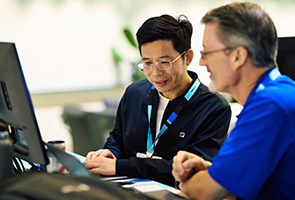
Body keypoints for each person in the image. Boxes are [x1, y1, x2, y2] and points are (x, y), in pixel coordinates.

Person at [83, 14, 231, 187]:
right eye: (147, 63)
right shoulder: (134, 93)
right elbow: (117, 136)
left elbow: (189, 171)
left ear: (188, 58)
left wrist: (121, 166)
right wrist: (111, 152)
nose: (155, 73)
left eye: (164, 62)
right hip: (126, 189)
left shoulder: (213, 108)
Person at [172, 2, 295, 199]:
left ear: (238, 56)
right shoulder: (281, 94)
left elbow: (205, 192)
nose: (201, 62)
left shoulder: (270, 106)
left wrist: (186, 180)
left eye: (207, 52)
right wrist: (211, 170)